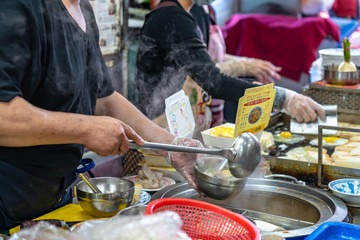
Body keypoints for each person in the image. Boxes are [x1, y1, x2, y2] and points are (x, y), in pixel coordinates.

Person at [0, 0, 203, 231]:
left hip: (55, 200)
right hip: (8, 201)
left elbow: (102, 98)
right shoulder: (15, 6)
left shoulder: (83, 8)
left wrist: (172, 146)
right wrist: (86, 129)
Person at [135, 0, 326, 125]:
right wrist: (285, 99)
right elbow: (214, 81)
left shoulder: (183, 15)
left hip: (174, 129)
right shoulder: (172, 18)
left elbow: (204, 68)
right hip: (158, 135)